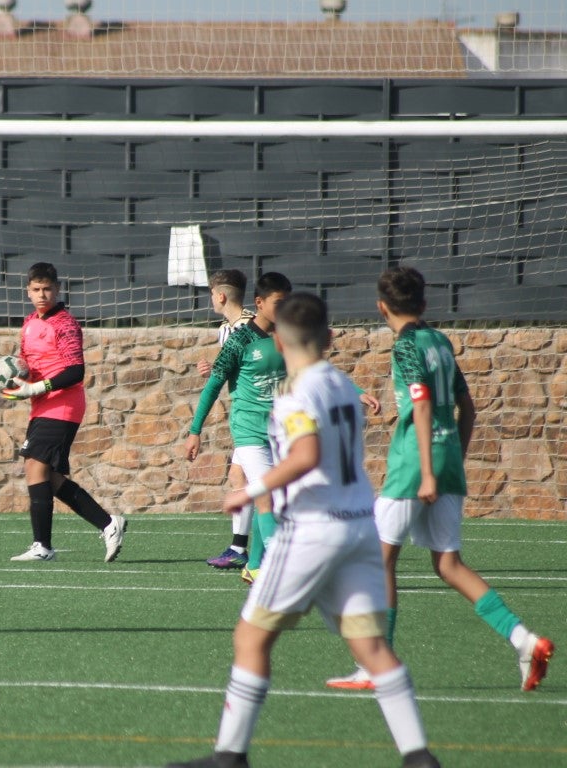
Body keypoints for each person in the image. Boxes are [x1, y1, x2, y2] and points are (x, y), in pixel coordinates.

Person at [168, 293, 440, 768]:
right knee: (372, 647)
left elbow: (305, 455)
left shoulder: (296, 392)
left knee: (251, 638)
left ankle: (229, 755)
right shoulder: (340, 383)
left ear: (277, 338)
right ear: (330, 336)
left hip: (313, 530)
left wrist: (252, 490)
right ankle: (419, 757)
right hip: (359, 529)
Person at [327, 266, 554, 692]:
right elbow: (469, 410)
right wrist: (451, 460)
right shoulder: (441, 342)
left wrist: (427, 472)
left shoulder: (407, 345)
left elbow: (424, 405)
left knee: (379, 561)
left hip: (416, 465)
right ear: (424, 303)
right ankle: (524, 640)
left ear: (381, 307)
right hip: (447, 460)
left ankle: (379, 665)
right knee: (448, 564)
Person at [2, 262, 126, 563]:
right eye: (36, 289)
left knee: (34, 467)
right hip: (42, 406)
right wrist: (20, 380)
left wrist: (35, 388)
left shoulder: (65, 323)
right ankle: (108, 523)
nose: (42, 294)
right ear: (28, 292)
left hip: (63, 404)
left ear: (57, 290)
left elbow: (75, 371)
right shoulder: (30, 322)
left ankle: (42, 546)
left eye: (47, 289)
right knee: (51, 478)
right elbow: (29, 364)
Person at [184, 272, 291, 584]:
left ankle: (254, 564)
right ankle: (276, 564)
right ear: (259, 303)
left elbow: (315, 371)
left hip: (279, 431)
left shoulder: (288, 337)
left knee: (269, 497)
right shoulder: (239, 339)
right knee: (265, 494)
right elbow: (214, 384)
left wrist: (356, 393)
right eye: (278, 303)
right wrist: (195, 429)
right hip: (247, 431)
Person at [197, 269, 257, 571]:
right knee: (240, 477)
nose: (211, 299)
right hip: (246, 416)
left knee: (263, 485)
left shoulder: (251, 325)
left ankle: (255, 549)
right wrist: (212, 368)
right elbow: (229, 365)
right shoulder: (226, 328)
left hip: (260, 416)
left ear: (220, 295)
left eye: (211, 293)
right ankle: (240, 547)